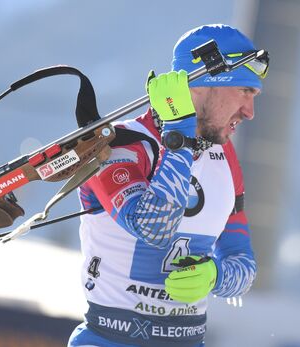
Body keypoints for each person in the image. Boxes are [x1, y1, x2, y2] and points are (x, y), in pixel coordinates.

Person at [68, 24, 269, 347]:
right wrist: (179, 136)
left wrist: (216, 275)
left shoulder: (224, 155)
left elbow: (243, 263)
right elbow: (154, 228)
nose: (249, 112)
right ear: (204, 84)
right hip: (109, 339)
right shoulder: (122, 144)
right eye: (245, 91)